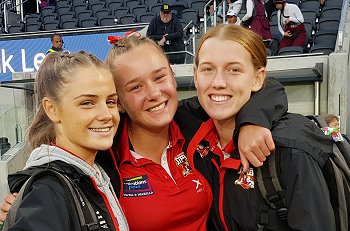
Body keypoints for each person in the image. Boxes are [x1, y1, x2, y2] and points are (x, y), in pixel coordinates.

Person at [1, 33, 288, 230]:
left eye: (159, 77)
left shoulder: (197, 123)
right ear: (121, 102)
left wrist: (253, 121)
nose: (154, 93)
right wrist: (25, 202)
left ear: (173, 76)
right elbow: (60, 173)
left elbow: (268, 86)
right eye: (135, 87)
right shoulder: (104, 155)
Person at [185, 24, 335, 230]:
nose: (218, 82)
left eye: (234, 70)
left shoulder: (290, 151)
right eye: (208, 69)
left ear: (258, 78)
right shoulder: (189, 132)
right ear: (195, 75)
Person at [2, 51, 129, 231]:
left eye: (110, 101)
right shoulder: (48, 190)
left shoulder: (97, 170)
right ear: (52, 109)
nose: (107, 115)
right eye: (87, 103)